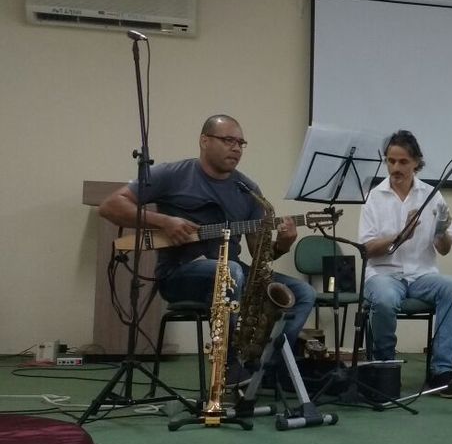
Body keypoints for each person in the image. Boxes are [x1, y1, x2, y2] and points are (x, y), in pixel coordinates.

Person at [98, 114, 316, 384]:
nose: (236, 148)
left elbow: (261, 255)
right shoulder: (173, 174)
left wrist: (284, 243)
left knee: (303, 292)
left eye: (241, 143)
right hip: (179, 274)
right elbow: (110, 206)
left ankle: (266, 372)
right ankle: (230, 366)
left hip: (232, 273)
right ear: (204, 141)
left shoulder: (248, 190)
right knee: (231, 270)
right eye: (228, 140)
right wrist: (165, 222)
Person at [358, 130, 452, 398]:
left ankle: (441, 372)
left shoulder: (432, 196)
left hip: (422, 275)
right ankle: (385, 366)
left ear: (416, 162)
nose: (395, 168)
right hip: (384, 275)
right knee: (382, 298)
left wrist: (441, 234)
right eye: (391, 161)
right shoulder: (373, 197)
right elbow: (367, 249)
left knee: (451, 288)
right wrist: (400, 235)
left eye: (403, 162)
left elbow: (444, 247)